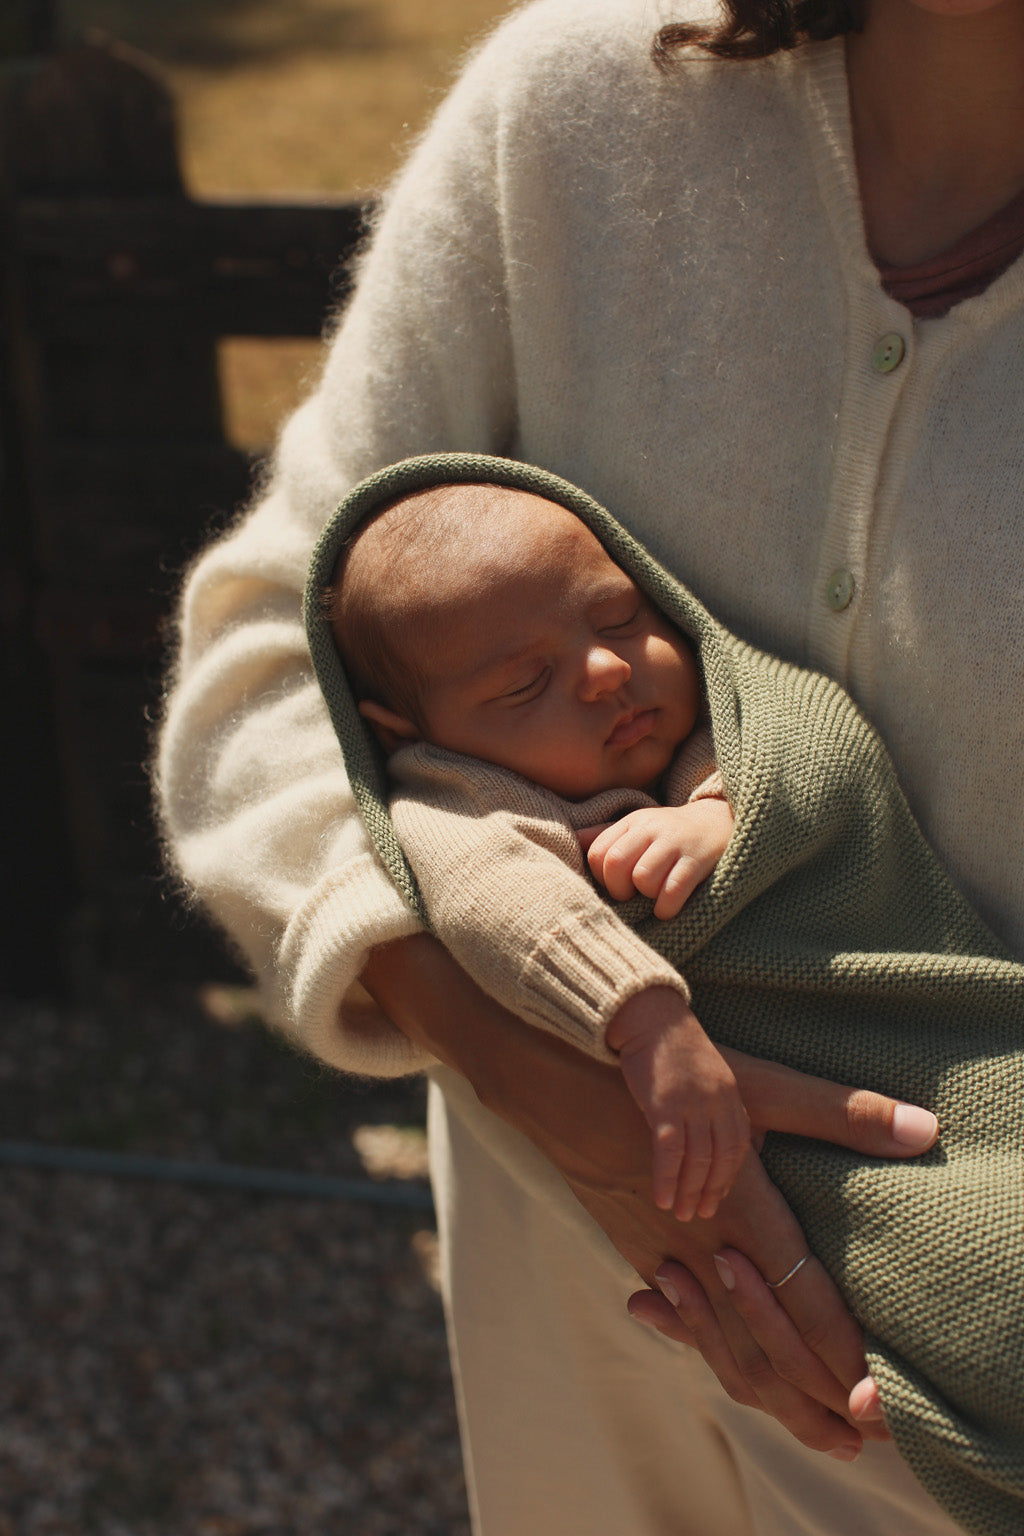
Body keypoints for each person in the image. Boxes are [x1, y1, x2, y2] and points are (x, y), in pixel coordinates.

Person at [156, 0, 1024, 1530]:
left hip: (951, 1395)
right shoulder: (575, 113)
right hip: (563, 1310)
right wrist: (538, 1077)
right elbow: (265, 661)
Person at [325, 477, 746, 1224]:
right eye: (527, 683)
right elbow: (495, 895)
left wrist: (721, 808)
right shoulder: (464, 795)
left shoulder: (727, 710)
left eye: (618, 619)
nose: (608, 669)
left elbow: (815, 751)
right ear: (406, 732)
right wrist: (643, 1018)